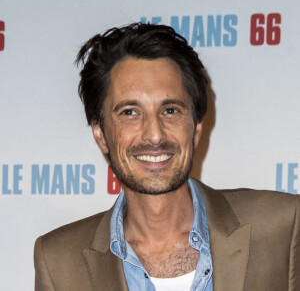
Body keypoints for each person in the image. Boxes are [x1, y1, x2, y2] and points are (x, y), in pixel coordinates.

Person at [34, 23, 300, 291]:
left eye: (170, 110)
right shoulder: (58, 261)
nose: (154, 135)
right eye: (129, 112)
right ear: (101, 133)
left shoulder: (282, 226)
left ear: (196, 127)